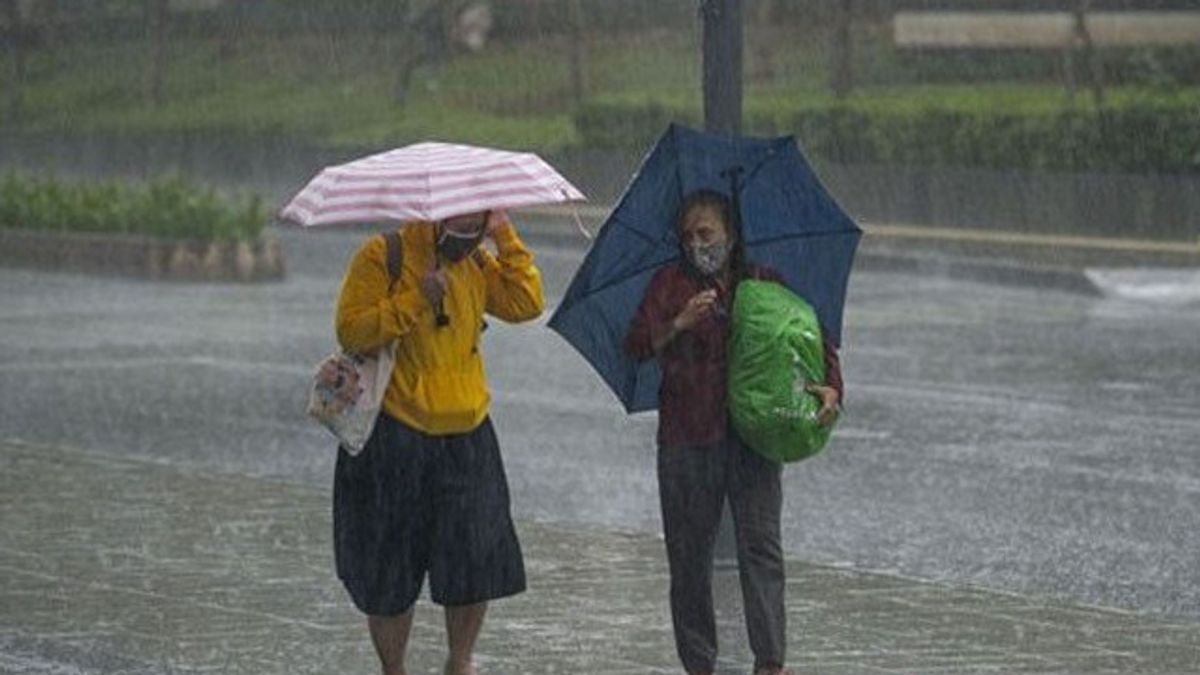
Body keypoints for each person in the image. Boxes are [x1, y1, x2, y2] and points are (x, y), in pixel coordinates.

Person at [624, 190, 843, 675]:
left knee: (761, 547)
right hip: (687, 438)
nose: (698, 244)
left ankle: (770, 661)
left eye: (706, 233)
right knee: (689, 558)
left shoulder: (763, 283)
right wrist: (679, 322)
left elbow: (809, 339)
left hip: (753, 439)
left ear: (731, 234)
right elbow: (637, 343)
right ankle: (699, 663)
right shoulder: (670, 284)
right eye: (688, 237)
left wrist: (830, 388)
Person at [332, 209, 543, 675]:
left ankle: (460, 661)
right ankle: (394, 667)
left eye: (478, 223)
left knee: (476, 560)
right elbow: (352, 329)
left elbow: (526, 302)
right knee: (389, 567)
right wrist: (415, 299)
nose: (467, 235)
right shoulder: (383, 257)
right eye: (460, 224)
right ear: (434, 214)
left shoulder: (477, 264)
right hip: (396, 433)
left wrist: (505, 238)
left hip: (468, 432)